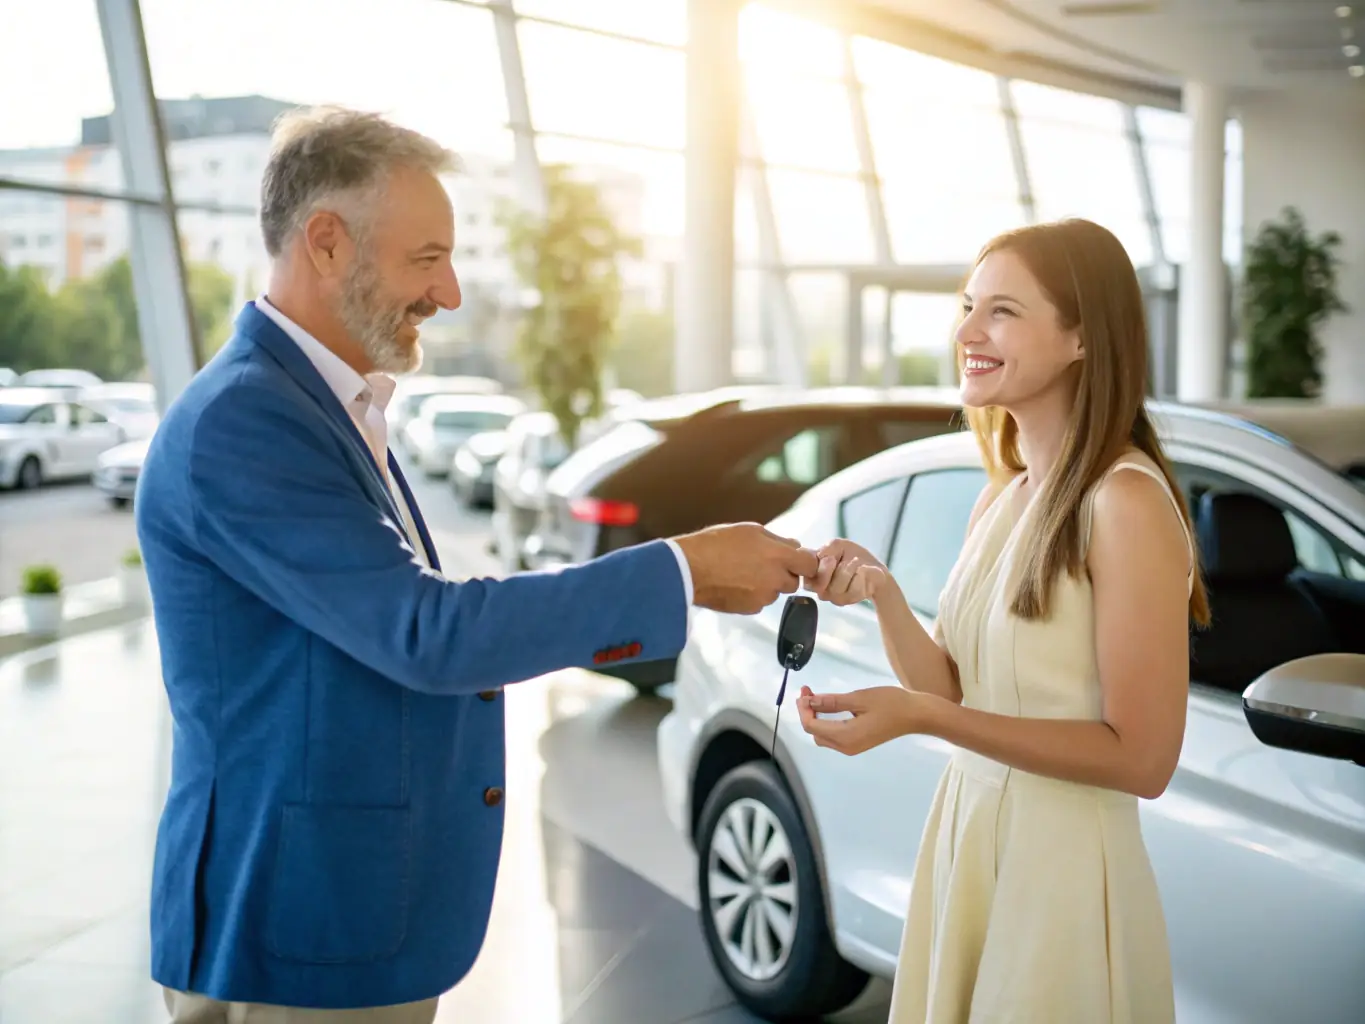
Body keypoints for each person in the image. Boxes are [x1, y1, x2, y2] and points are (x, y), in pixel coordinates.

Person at [135, 106, 818, 1023]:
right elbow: (426, 632)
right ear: (327, 243)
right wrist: (684, 571)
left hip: (340, 916)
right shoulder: (245, 422)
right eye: (427, 259)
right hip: (294, 929)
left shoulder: (332, 405)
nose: (448, 294)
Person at [798, 218, 1209, 1023]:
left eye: (1002, 312)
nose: (967, 333)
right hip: (968, 834)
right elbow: (953, 687)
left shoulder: (1123, 503)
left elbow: (1142, 759)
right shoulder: (1003, 494)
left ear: (1082, 337)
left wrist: (922, 716)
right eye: (966, 306)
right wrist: (883, 594)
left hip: (1059, 871)